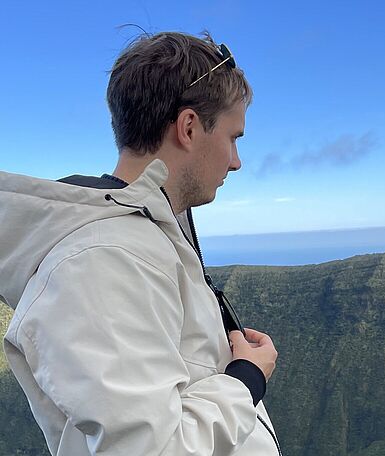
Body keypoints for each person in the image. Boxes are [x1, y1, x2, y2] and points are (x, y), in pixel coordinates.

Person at [0, 32, 281, 455]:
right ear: (188, 127)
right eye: (233, 137)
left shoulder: (146, 238)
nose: (237, 161)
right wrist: (245, 380)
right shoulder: (102, 259)